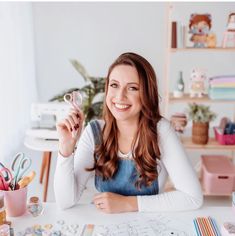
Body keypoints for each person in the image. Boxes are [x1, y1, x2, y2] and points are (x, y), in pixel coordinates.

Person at [54, 52, 203, 213]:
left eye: (132, 88)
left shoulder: (161, 131)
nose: (120, 96)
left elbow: (193, 197)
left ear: (146, 94)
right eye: (114, 85)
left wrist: (128, 204)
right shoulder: (94, 132)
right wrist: (66, 148)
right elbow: (65, 202)